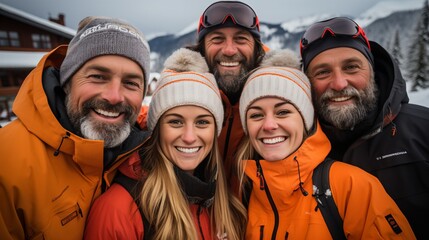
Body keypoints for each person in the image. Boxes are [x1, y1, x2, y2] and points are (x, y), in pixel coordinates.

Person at [236, 49, 415, 239]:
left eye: (283, 112)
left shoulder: (352, 187)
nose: (269, 125)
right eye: (256, 115)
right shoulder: (244, 193)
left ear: (305, 119)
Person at [0, 16, 150, 239]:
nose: (114, 97)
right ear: (66, 81)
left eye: (131, 83)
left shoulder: (147, 154)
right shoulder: (7, 161)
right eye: (98, 77)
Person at [84, 48, 247, 240]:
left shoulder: (225, 206)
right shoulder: (119, 209)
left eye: (202, 122)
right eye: (175, 122)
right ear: (157, 130)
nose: (189, 137)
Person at [300, 16, 429, 238]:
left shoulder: (423, 131)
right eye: (322, 72)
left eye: (351, 67)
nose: (339, 83)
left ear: (372, 71)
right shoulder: (296, 149)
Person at [185, 0, 266, 195]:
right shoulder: (182, 97)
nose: (229, 50)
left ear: (256, 49)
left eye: (240, 39)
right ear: (201, 50)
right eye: (217, 39)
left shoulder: (279, 97)